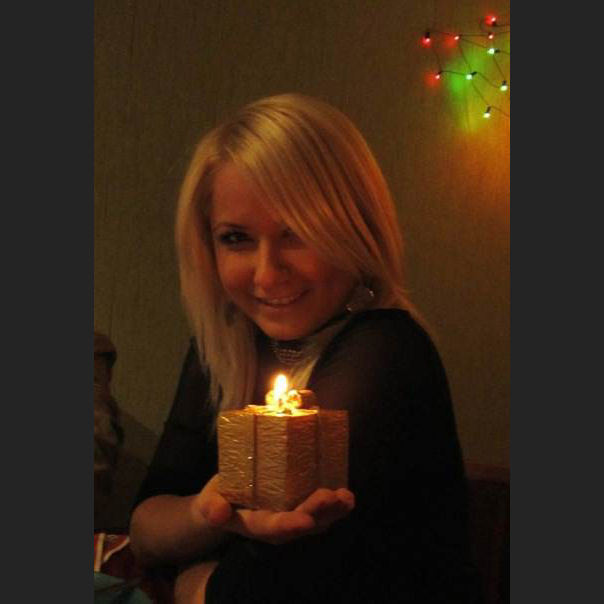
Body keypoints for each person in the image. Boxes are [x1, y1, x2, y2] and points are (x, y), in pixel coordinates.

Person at [129, 93, 483, 603]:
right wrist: (207, 511)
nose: (267, 274)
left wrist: (190, 581)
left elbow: (254, 591)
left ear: (353, 229)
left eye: (296, 233)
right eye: (236, 238)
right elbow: (145, 528)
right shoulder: (229, 340)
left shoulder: (387, 352)